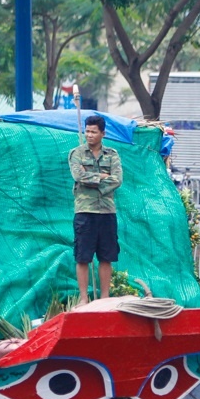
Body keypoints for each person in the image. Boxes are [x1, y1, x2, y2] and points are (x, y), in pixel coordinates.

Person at [69, 113, 121, 302]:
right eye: (87, 131)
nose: (89, 135)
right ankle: (84, 298)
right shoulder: (77, 153)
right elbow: (78, 176)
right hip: (85, 211)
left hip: (107, 211)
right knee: (83, 256)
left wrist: (91, 178)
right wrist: (102, 177)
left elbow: (117, 180)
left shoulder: (112, 155)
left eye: (93, 132)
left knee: (106, 256)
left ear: (102, 134)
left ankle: (105, 297)